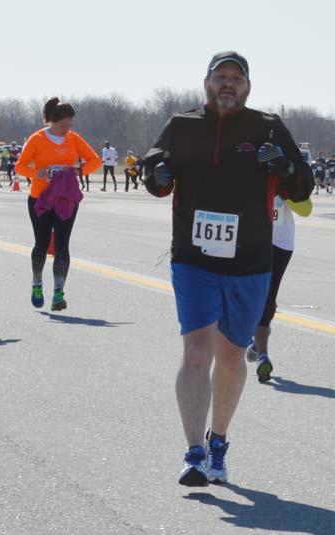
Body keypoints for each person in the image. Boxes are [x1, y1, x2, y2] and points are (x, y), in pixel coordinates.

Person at [143, 51, 314, 487]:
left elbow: (303, 185)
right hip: (193, 259)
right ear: (206, 82)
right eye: (221, 76)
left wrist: (286, 167)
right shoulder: (182, 126)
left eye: (237, 78)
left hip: (251, 259)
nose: (228, 84)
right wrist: (157, 173)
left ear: (248, 87)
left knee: (233, 356)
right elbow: (154, 170)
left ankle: (218, 441)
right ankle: (194, 454)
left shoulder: (268, 126)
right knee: (197, 351)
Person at [15, 97, 101, 311]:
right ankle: (37, 283)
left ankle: (58, 292)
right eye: (63, 126)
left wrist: (78, 171)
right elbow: (20, 166)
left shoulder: (73, 139)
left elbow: (95, 160)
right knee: (42, 244)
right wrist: (38, 173)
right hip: (40, 198)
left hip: (66, 199)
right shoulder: (37, 139)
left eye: (70, 126)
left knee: (62, 244)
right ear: (52, 121)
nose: (67, 130)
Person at [245, 196, 312, 382]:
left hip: (280, 243)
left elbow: (306, 209)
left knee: (267, 296)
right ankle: (258, 341)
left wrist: (286, 190)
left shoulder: (289, 168)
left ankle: (262, 355)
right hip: (253, 239)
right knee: (255, 295)